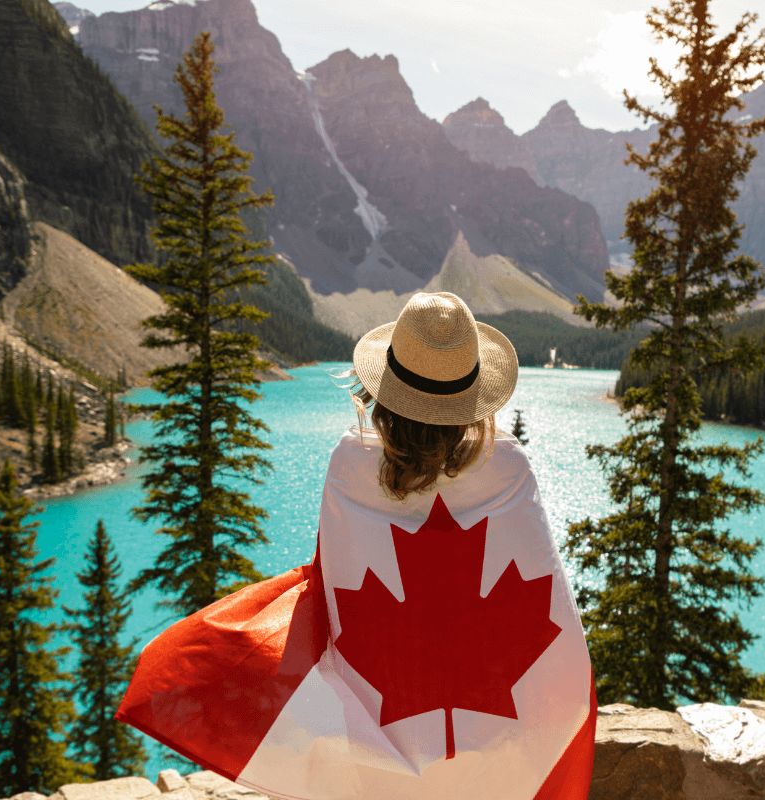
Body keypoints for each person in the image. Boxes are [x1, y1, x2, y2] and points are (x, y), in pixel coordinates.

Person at [118, 292, 595, 800]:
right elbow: (548, 601)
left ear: (382, 394)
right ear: (473, 400)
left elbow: (332, 584)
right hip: (506, 735)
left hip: (381, 737)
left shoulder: (350, 462)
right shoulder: (509, 467)